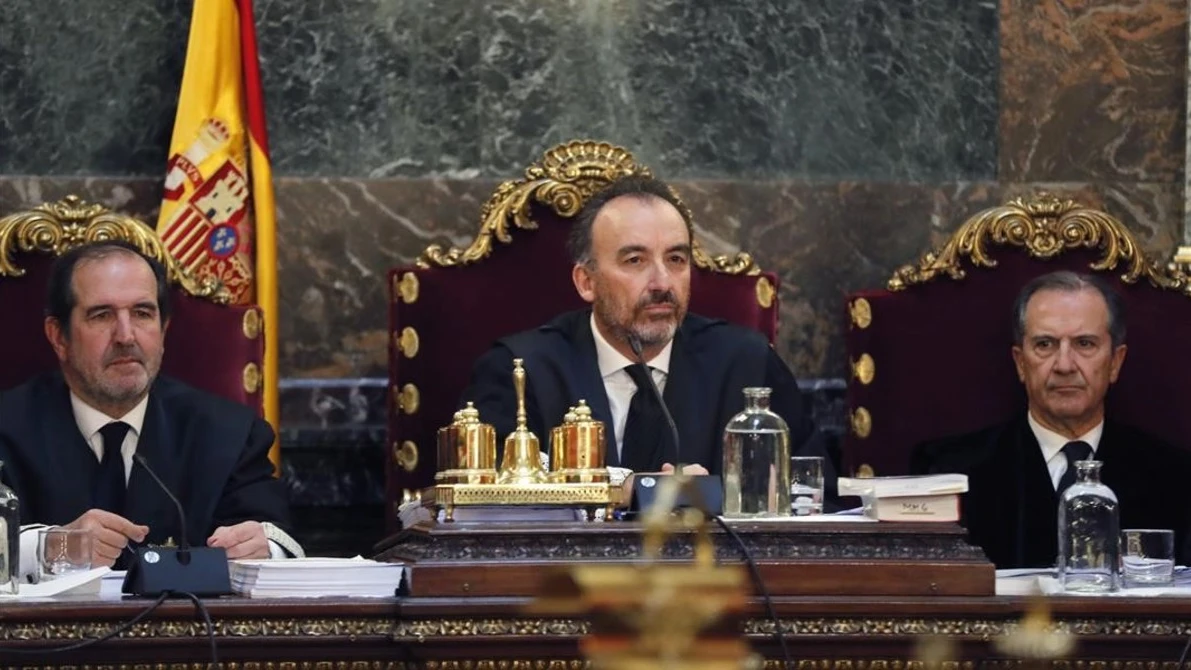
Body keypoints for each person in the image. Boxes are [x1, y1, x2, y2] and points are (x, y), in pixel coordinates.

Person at [462, 174, 835, 488]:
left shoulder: (747, 365)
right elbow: (485, 508)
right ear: (586, 281)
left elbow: (815, 495)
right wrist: (632, 495)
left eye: (676, 259)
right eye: (635, 260)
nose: (661, 282)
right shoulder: (520, 373)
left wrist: (715, 499)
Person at [0, 241, 302, 579]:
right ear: (58, 336)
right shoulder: (7, 428)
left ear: (164, 329)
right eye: (102, 315)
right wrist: (47, 547)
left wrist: (262, 548)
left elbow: (282, 539)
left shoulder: (227, 432)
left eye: (143, 313)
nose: (126, 336)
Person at [912, 270, 1191, 568]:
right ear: (1021, 363)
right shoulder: (950, 473)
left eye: (1085, 344)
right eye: (1045, 344)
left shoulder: (1176, 478)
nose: (1064, 365)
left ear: (1115, 362)